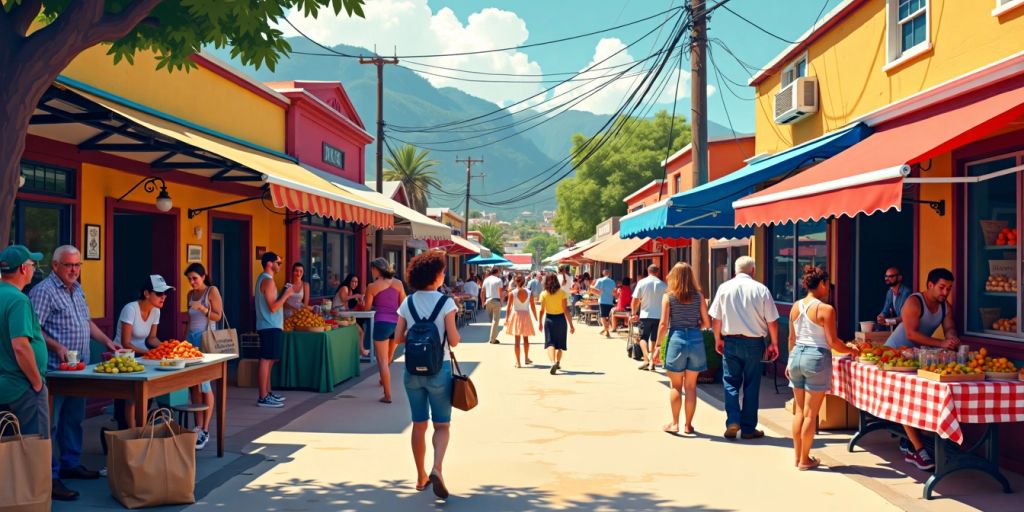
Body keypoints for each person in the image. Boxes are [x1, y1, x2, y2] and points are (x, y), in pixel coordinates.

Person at [29, 245, 117, 499]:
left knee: (73, 421)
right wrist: (56, 346)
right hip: (55, 372)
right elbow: (35, 329)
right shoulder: (43, 292)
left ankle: (70, 464)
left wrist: (108, 341)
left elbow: (87, 323)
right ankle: (50, 476)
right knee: (52, 425)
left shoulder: (77, 289)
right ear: (55, 266)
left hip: (79, 371)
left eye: (77, 265)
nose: (74, 270)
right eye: (68, 265)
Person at [393, 251, 460, 500]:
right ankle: (437, 468)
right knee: (441, 425)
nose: (444, 275)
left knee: (418, 424)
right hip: (438, 370)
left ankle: (420, 475)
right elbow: (453, 340)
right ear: (435, 275)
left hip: (412, 371)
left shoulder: (407, 303)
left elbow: (398, 338)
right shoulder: (446, 303)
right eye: (442, 271)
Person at [885, 268, 959, 471]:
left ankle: (909, 440)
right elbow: (912, 333)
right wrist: (942, 343)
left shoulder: (945, 306)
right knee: (905, 398)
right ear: (930, 285)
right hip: (896, 355)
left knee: (919, 397)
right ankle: (917, 450)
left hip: (919, 355)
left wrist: (951, 337)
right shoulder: (914, 302)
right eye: (942, 287)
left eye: (949, 288)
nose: (945, 292)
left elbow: (949, 326)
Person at [787, 266, 859, 470]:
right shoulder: (825, 309)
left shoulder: (795, 306)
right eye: (827, 284)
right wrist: (851, 350)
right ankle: (804, 459)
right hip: (816, 357)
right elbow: (833, 341)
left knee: (799, 412)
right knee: (811, 414)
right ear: (821, 284)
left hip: (796, 356)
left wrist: (791, 359)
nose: (829, 288)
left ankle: (798, 457)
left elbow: (791, 339)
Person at [709, 256, 780, 440]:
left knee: (730, 382)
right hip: (754, 343)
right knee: (751, 384)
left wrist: (717, 338)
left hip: (731, 341)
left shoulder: (724, 288)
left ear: (735, 271)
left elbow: (716, 318)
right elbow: (772, 320)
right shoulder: (761, 289)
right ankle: (748, 428)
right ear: (753, 271)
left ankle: (733, 419)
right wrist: (774, 343)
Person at [0, 247, 50, 489]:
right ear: (23, 269)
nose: (34, 269)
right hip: (21, 385)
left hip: (4, 384)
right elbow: (20, 346)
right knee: (33, 448)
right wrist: (37, 383)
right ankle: (33, 497)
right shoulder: (18, 300)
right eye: (33, 264)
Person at [654, 263, 711, 435]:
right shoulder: (699, 296)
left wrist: (657, 345)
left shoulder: (669, 297)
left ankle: (675, 424)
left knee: (676, 386)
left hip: (676, 339)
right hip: (695, 340)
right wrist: (695, 329)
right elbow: (707, 322)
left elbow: (663, 324)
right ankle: (688, 425)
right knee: (691, 386)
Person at [115, 275, 174, 425]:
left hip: (141, 358)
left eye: (165, 294)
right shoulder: (130, 309)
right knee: (131, 398)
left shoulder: (156, 311)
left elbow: (152, 339)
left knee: (146, 394)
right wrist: (149, 353)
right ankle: (133, 432)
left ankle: (141, 428)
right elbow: (126, 343)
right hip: (122, 358)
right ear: (146, 293)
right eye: (159, 294)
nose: (163, 297)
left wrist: (167, 347)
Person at [183, 263, 223, 450]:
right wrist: (184, 342)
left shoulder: (211, 291)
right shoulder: (190, 295)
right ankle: (197, 425)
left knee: (205, 384)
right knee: (193, 384)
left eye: (195, 278)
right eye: (189, 279)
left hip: (206, 340)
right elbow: (189, 321)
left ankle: (205, 429)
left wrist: (202, 309)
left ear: (203, 276)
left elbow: (218, 316)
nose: (192, 282)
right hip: (191, 340)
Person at [255, 252, 297, 408]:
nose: (280, 265)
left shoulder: (264, 279)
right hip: (269, 325)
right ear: (269, 264)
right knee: (266, 360)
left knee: (270, 360)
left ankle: (267, 392)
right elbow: (273, 307)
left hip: (269, 325)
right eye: (278, 263)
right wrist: (287, 294)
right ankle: (263, 396)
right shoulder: (267, 281)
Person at [364, 257, 407, 404]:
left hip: (382, 323)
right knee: (388, 358)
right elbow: (403, 304)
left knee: (382, 361)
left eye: (372, 269)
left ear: (376, 269)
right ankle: (384, 380)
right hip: (397, 324)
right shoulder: (399, 283)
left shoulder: (372, 286)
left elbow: (366, 307)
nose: (371, 271)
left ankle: (387, 395)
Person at [632, 265, 667, 371]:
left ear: (648, 271)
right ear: (658, 272)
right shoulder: (663, 285)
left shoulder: (642, 282)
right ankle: (652, 363)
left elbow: (635, 300)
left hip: (645, 314)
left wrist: (634, 313)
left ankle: (647, 358)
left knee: (643, 338)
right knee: (654, 339)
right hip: (659, 316)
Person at [538, 272, 574, 375]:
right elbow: (565, 310)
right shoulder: (562, 293)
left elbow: (541, 310)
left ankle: (552, 362)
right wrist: (571, 324)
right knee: (560, 344)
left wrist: (540, 323)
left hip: (549, 319)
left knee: (550, 343)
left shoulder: (544, 294)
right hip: (561, 320)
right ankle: (557, 362)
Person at [505, 274, 538, 367]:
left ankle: (518, 362)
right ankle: (526, 358)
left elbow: (508, 308)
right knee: (526, 338)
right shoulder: (529, 292)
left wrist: (507, 319)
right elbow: (532, 306)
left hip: (516, 316)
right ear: (524, 281)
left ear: (515, 281)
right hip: (526, 315)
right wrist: (536, 317)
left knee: (517, 340)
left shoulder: (512, 293)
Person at [335, 274, 369, 357]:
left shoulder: (349, 290)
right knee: (360, 331)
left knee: (361, 330)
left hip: (344, 315)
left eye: (356, 282)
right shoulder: (344, 288)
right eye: (353, 281)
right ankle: (361, 351)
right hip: (337, 316)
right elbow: (343, 299)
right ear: (349, 281)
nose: (355, 283)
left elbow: (346, 306)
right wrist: (356, 296)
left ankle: (359, 351)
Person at [481, 267, 505, 344]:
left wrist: (482, 302)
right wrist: (502, 302)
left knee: (492, 321)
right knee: (495, 321)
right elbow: (501, 292)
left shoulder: (486, 279)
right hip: (496, 301)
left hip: (488, 301)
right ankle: (493, 339)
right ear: (497, 272)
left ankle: (493, 337)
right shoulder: (499, 280)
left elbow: (482, 292)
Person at [591, 269, 617, 337]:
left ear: (603, 273)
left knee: (602, 316)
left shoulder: (600, 280)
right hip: (610, 301)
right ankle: (606, 329)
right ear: (609, 274)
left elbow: (593, 289)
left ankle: (606, 330)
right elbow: (614, 292)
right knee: (608, 317)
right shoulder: (612, 281)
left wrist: (597, 293)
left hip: (602, 300)